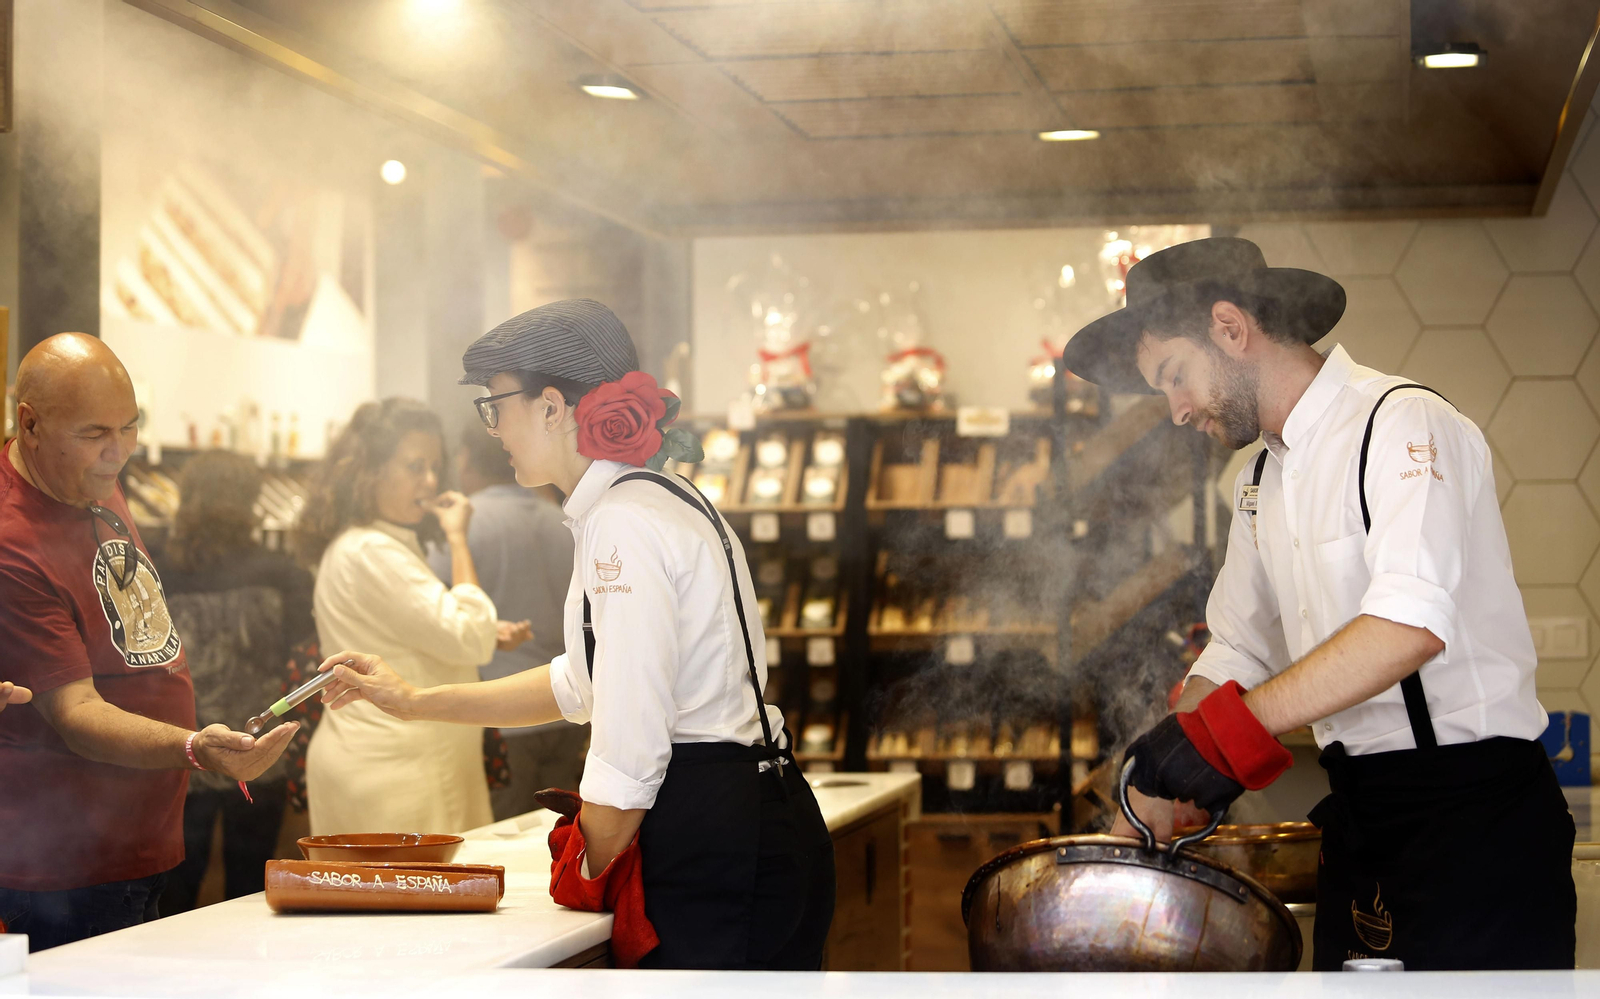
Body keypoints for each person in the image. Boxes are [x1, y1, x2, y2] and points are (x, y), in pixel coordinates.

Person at [1062, 238, 1574, 970]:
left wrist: (1227, 739)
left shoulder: (1401, 424)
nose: (1174, 411)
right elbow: (1236, 647)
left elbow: (1409, 625)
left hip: (1475, 820)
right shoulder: (1259, 482)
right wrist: (1161, 781)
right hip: (1363, 822)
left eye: (1175, 376)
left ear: (1230, 328)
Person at [314, 299, 835, 970]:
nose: (493, 427)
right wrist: (415, 700)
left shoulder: (622, 521)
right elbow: (578, 682)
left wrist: (585, 859)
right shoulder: (655, 499)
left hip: (715, 838)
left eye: (496, 405)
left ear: (554, 406)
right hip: (754, 813)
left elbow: (630, 742)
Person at [0, 333, 294, 950]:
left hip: (141, 834)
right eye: (96, 434)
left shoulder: (88, 480)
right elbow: (76, 714)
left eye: (130, 428)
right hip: (67, 864)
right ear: (28, 424)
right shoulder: (12, 540)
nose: (119, 454)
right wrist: (195, 746)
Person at [295, 397, 522, 836]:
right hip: (398, 766)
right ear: (371, 471)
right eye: (415, 467)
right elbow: (469, 638)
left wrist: (485, 631)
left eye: (435, 466)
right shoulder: (371, 549)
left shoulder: (377, 542)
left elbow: (413, 633)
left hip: (403, 758)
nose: (432, 480)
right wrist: (458, 539)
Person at [157, 451, 316, 913]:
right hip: (257, 747)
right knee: (251, 889)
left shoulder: (158, 569)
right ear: (247, 501)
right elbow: (299, 652)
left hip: (183, 748)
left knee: (177, 886)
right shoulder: (281, 573)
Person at [429, 426, 581, 819]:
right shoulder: (565, 520)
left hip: (500, 713)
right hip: (568, 706)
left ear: (464, 459)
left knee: (502, 838)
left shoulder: (460, 523)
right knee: (558, 833)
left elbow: (439, 615)